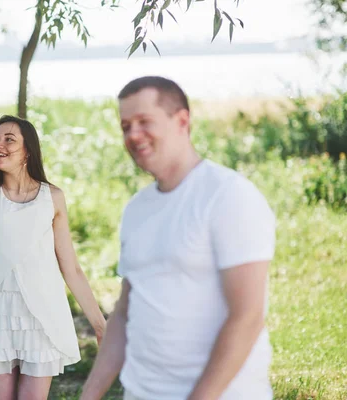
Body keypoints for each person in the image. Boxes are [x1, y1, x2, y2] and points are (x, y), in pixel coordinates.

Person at [80, 76, 276, 400]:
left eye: (145, 122)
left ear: (181, 121)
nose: (133, 135)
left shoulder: (228, 195)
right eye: (126, 125)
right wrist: (89, 395)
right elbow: (126, 312)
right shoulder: (136, 210)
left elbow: (247, 317)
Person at [0, 36, 106, 400]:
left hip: (41, 317)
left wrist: (99, 323)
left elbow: (71, 268)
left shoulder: (53, 199)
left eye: (9, 139)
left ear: (27, 151)